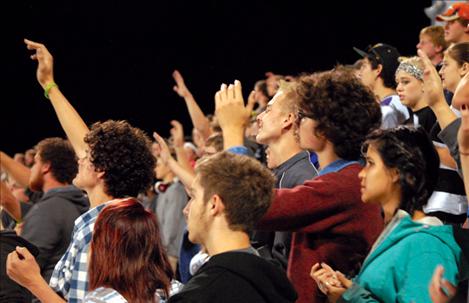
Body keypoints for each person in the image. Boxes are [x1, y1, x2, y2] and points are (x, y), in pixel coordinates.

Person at [4, 39, 156, 302]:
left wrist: (33, 282)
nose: (80, 158)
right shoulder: (119, 216)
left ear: (101, 170)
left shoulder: (111, 230)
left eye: (88, 157)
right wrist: (49, 85)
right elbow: (83, 141)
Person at [214, 70, 384, 303]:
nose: (297, 122)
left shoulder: (346, 184)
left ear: (324, 130)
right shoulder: (340, 179)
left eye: (304, 116)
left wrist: (233, 133)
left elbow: (250, 205)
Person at [311, 126, 468, 302]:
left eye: (370, 163)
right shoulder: (399, 235)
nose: (361, 174)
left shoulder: (427, 247)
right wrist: (348, 288)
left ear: (397, 172)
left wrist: (350, 298)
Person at [167, 152, 297, 303]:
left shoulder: (198, 295)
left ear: (214, 204)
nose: (186, 209)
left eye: (194, 197)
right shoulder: (275, 280)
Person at [0, 138, 89, 283]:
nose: (32, 169)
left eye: (35, 163)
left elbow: (19, 270)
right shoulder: (79, 204)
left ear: (46, 166)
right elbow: (8, 201)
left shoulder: (48, 210)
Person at [252, 80, 318, 269]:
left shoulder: (303, 180)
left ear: (287, 119)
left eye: (268, 110)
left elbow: (284, 264)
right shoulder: (282, 174)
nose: (259, 117)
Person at [354, 43, 412, 128]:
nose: (360, 73)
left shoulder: (393, 105)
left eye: (364, 66)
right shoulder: (388, 103)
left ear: (378, 70)